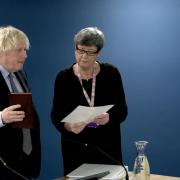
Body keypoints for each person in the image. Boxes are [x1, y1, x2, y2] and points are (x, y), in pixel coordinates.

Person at [51, 27, 128, 175]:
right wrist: (68, 126)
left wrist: (109, 118)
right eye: (80, 51)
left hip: (107, 149)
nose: (84, 57)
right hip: (75, 151)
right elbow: (56, 115)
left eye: (89, 52)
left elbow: (123, 110)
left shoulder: (111, 73)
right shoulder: (63, 78)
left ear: (98, 52)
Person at [0, 26, 41, 180]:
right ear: (3, 49)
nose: (25, 55)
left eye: (25, 50)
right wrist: (1, 118)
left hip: (25, 162)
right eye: (20, 50)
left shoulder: (20, 73)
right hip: (3, 165)